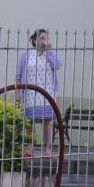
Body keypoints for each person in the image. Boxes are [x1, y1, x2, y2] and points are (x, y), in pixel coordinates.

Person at [15, 28, 63, 158]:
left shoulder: (50, 53)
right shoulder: (25, 55)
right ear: (34, 40)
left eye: (46, 38)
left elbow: (57, 65)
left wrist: (50, 50)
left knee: (47, 122)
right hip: (30, 93)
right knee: (30, 121)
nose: (44, 41)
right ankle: (29, 148)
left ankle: (47, 149)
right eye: (41, 38)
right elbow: (18, 76)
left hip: (47, 92)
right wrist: (18, 93)